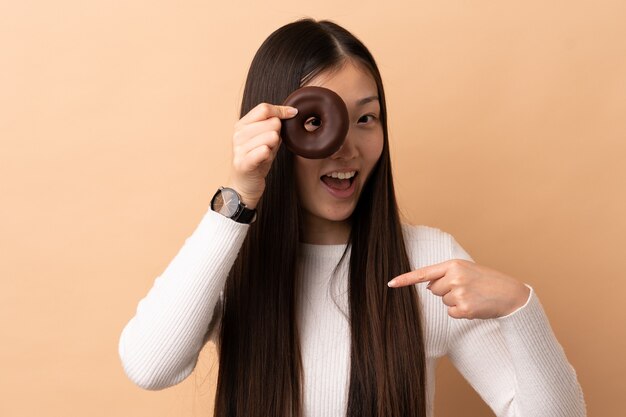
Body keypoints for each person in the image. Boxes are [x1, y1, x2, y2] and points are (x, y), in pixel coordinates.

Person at [118, 18, 586, 417]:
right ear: (274, 131)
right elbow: (150, 366)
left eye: (366, 119)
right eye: (318, 122)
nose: (346, 147)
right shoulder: (228, 256)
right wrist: (239, 197)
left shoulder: (427, 262)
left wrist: (521, 306)